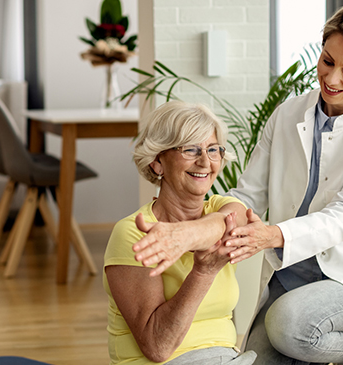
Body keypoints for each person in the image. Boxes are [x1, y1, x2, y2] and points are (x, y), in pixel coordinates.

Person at [129, 3, 343, 364]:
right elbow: (246, 196)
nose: (331, 79)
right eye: (327, 61)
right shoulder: (287, 114)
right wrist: (183, 234)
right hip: (290, 274)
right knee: (262, 352)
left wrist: (272, 235)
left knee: (288, 325)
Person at [104, 101, 256, 365]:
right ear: (157, 162)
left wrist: (183, 236)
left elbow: (238, 216)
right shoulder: (133, 233)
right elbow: (157, 347)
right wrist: (203, 272)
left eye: (213, 150)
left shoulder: (221, 209)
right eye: (190, 150)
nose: (205, 162)